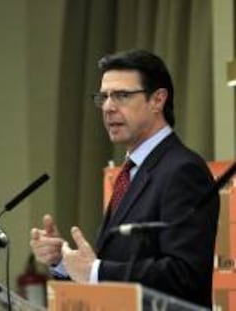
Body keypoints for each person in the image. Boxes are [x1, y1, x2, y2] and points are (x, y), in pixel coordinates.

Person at [30, 49, 219, 308]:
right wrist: (63, 261)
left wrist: (96, 271)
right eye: (104, 97)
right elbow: (119, 260)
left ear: (157, 100)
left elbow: (184, 274)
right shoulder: (131, 171)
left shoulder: (183, 170)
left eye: (122, 95)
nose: (108, 107)